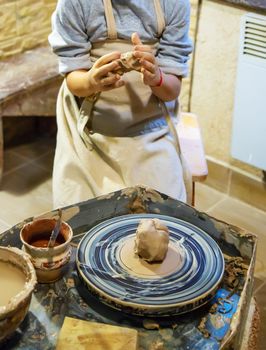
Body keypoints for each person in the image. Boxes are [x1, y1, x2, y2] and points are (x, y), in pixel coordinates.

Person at [48, 0, 193, 208]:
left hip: (151, 133)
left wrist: (157, 78)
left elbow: (171, 90)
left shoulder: (174, 4)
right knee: (81, 219)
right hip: (88, 134)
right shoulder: (76, 3)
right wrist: (90, 81)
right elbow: (74, 80)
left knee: (162, 216)